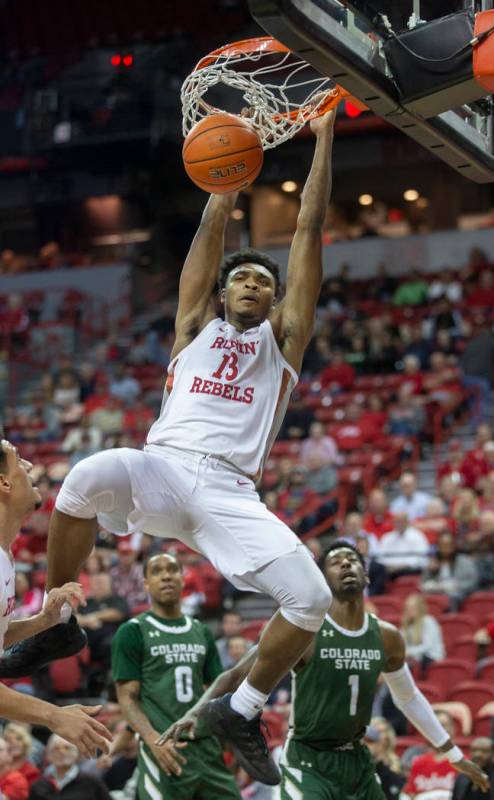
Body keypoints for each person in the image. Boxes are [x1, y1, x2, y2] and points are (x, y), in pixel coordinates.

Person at [11, 113, 337, 786]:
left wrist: (324, 138)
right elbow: (210, 231)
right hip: (163, 468)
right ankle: (57, 617)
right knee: (83, 475)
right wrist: (226, 181)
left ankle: (241, 709)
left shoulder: (285, 342)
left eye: (264, 284)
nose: (253, 285)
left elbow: (308, 229)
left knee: (310, 597)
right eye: (241, 279)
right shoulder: (195, 327)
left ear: (276, 302)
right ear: (222, 292)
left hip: (229, 491)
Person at [159, 542, 490, 800]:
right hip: (308, 759)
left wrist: (453, 753)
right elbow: (236, 675)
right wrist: (196, 711)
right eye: (336, 561)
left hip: (357, 760)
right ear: (322, 579)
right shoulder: (304, 629)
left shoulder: (387, 637)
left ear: (367, 575)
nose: (346, 563)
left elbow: (409, 698)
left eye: (353, 559)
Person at [0, 439, 111, 757]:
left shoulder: (5, 556)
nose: (29, 466)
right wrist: (55, 716)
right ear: (4, 482)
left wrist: (43, 621)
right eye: (18, 460)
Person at [111, 553, 241, 800]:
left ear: (183, 579)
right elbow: (127, 699)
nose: (166, 576)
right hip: (164, 749)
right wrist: (151, 741)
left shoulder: (201, 631)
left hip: (206, 746)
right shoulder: (133, 631)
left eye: (172, 569)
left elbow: (215, 692)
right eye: (157, 571)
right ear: (146, 584)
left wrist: (230, 740)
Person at [28, 735, 110, 800]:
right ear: (48, 755)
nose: (61, 752)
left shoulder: (92, 783)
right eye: (56, 748)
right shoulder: (38, 785)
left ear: (77, 754)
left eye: (67, 748)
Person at [401, 594, 445, 676]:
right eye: (408, 608)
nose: (409, 611)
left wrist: (409, 652)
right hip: (417, 659)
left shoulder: (428, 621)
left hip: (431, 658)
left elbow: (427, 646)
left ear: (420, 608)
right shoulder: (408, 624)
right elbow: (402, 643)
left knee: (405, 668)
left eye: (413, 608)